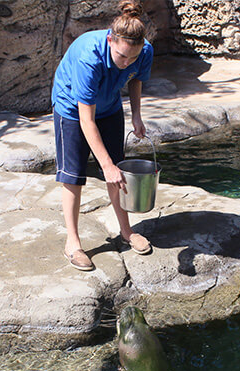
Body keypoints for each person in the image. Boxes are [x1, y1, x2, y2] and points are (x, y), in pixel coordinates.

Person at [52, 0, 154, 271]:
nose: (126, 62)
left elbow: (135, 78)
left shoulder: (144, 51)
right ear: (110, 39)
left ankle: (126, 231)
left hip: (109, 106)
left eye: (133, 57)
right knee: (73, 175)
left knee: (118, 171)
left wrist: (136, 115)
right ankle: (72, 243)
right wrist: (105, 165)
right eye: (122, 56)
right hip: (72, 110)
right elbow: (86, 120)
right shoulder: (89, 57)